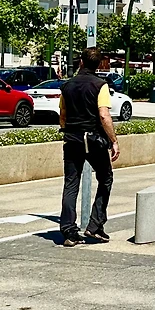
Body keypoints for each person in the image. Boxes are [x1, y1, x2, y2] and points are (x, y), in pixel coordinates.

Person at [59, 47, 120, 246]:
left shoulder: (66, 86)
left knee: (71, 183)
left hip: (72, 139)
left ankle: (69, 231)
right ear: (99, 64)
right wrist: (114, 141)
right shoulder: (100, 85)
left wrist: (67, 131)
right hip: (93, 139)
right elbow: (104, 115)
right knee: (105, 178)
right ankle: (95, 225)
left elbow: (63, 115)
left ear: (81, 62)